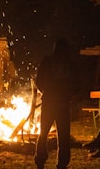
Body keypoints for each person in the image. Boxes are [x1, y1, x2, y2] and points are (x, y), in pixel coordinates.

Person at [34, 38, 79, 169]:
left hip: (54, 102)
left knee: (48, 133)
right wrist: (66, 95)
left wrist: (47, 92)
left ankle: (45, 161)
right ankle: (55, 162)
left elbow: (76, 84)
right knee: (55, 134)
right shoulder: (66, 64)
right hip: (57, 102)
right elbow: (39, 81)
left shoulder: (51, 62)